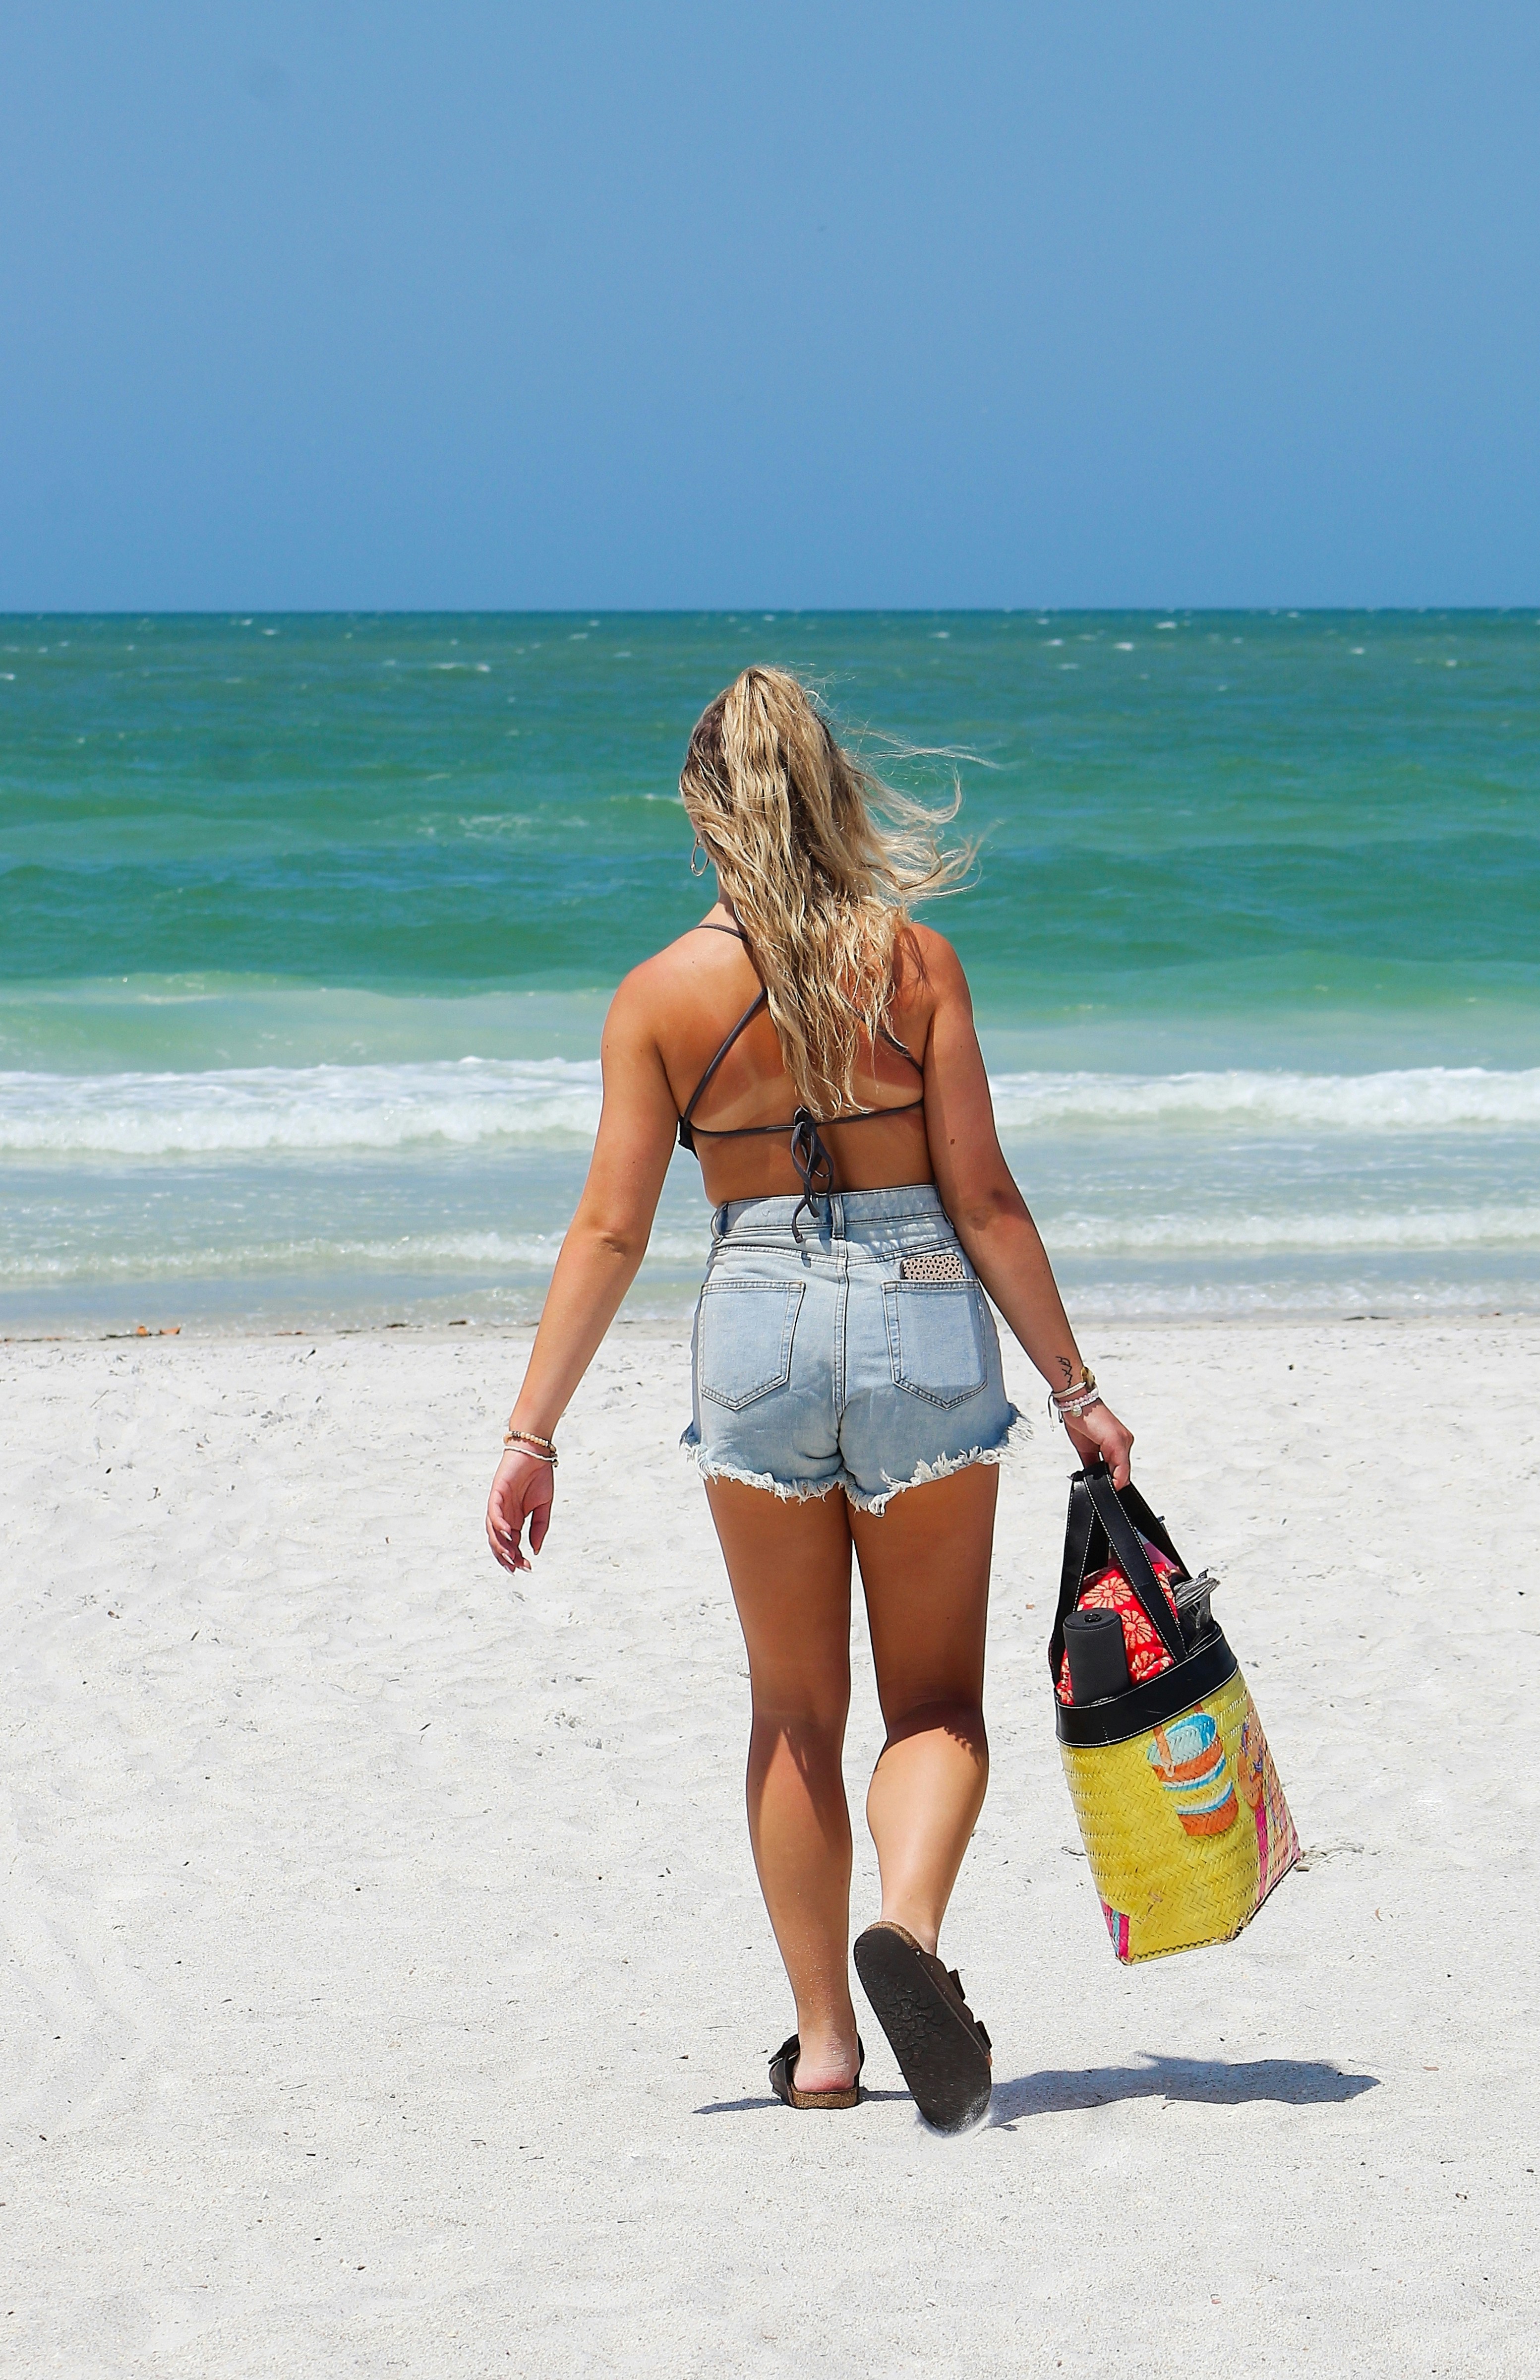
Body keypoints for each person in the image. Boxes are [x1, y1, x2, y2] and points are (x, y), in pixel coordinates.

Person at [486, 667, 1132, 2131]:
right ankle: (905, 1926)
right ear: (833, 788)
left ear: (701, 808)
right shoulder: (914, 965)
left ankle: (826, 2046)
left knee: (792, 1707)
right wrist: (1074, 1387)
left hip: (756, 1315)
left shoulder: (658, 996)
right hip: (919, 1314)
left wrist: (533, 1433)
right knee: (937, 1703)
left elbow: (607, 1231)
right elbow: (981, 1193)